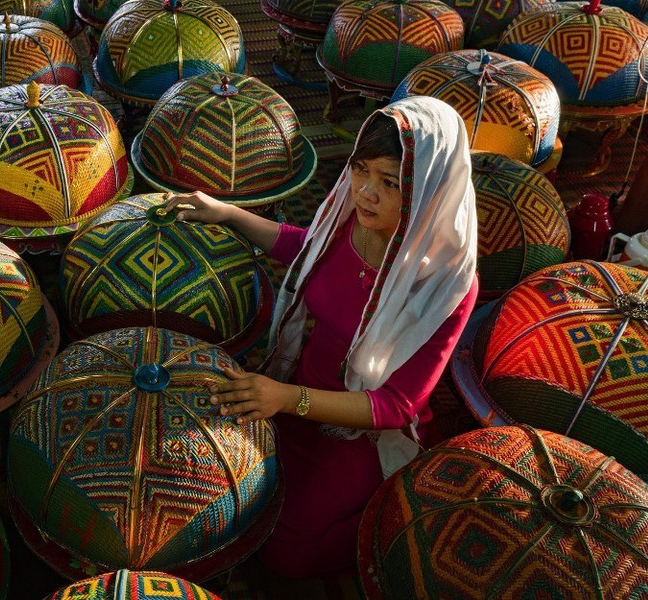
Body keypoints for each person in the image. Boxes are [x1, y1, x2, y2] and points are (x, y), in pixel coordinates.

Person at [164, 96, 479, 577]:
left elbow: (396, 405)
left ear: (429, 193)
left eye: (390, 183)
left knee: (286, 554)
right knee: (209, 483)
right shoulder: (351, 218)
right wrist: (229, 213)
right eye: (361, 170)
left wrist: (287, 399)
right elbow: (305, 250)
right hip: (291, 391)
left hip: (360, 433)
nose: (365, 192)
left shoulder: (445, 283)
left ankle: (391, 519)